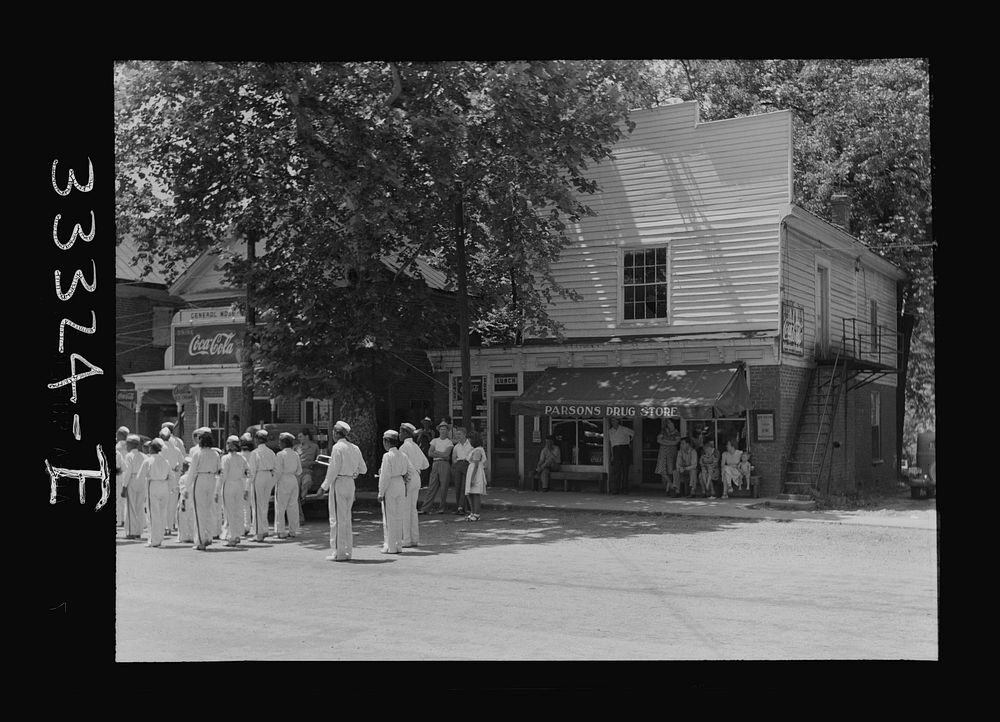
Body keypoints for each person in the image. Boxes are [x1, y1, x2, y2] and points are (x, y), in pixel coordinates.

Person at [321, 420, 367, 562]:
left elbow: (333, 469)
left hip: (339, 483)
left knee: (336, 519)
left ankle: (338, 552)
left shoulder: (337, 448)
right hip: (350, 483)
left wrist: (324, 487)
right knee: (346, 518)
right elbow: (363, 469)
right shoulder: (355, 448)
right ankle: (348, 551)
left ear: (335, 432)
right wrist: (353, 473)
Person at [377, 429, 414, 554]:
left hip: (391, 485)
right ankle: (398, 545)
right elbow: (411, 470)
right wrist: (405, 479)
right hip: (400, 484)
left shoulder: (387, 456)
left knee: (389, 517)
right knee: (399, 517)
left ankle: (390, 546)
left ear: (387, 442)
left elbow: (385, 476)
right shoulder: (403, 455)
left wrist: (381, 492)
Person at [187, 430, 221, 550]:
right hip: (211, 480)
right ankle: (208, 536)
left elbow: (191, 472)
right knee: (209, 509)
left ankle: (200, 540)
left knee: (199, 511)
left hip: (200, 479)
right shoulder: (215, 454)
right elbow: (219, 469)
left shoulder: (198, 453)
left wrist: (187, 487)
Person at [136, 438, 172, 547]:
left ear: (152, 448)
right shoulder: (166, 461)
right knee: (162, 513)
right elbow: (171, 476)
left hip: (153, 485)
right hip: (164, 486)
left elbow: (140, 477)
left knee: (153, 514)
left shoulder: (148, 460)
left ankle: (153, 540)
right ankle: (159, 538)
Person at [399, 422, 429, 548]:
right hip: (417, 477)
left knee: (405, 510)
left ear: (405, 433)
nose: (399, 435)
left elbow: (401, 467)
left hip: (408, 478)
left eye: (400, 432)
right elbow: (426, 464)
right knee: (412, 510)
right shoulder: (415, 446)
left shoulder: (403, 447)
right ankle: (414, 538)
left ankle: (406, 539)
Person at [217, 435, 249, 546]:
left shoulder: (225, 458)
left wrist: (218, 489)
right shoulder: (242, 458)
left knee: (229, 511)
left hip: (229, 485)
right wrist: (246, 488)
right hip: (239, 485)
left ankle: (232, 536)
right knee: (238, 510)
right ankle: (237, 534)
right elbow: (248, 473)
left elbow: (223, 475)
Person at [247, 429, 277, 542]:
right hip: (268, 476)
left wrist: (247, 485)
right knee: (264, 505)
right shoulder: (271, 452)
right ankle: (264, 529)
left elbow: (252, 471)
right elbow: (275, 467)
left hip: (259, 476)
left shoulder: (255, 453)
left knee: (257, 505)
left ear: (257, 439)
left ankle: (259, 533)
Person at [419, 422, 453, 514]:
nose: (443, 431)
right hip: (435, 463)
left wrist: (437, 452)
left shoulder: (449, 442)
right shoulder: (434, 441)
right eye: (441, 429)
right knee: (432, 486)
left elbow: (447, 455)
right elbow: (430, 453)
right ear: (439, 430)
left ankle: (441, 508)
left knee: (444, 487)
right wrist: (441, 454)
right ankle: (425, 508)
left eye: (445, 429)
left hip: (444, 464)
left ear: (447, 431)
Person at [274, 432, 303, 539]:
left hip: (283, 480)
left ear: (284, 442)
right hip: (293, 480)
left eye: (280, 441)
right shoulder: (295, 454)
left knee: (280, 507)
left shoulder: (280, 455)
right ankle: (293, 530)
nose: (279, 444)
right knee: (293, 506)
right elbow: (299, 471)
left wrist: (273, 482)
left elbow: (278, 471)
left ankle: (281, 531)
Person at [158, 426, 185, 536]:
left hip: (163, 478)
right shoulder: (176, 449)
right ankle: (170, 525)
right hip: (174, 478)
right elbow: (182, 464)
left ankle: (164, 527)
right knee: (172, 504)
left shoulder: (160, 448)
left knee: (163, 504)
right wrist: (177, 470)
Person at [121, 434, 147, 539]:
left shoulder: (129, 456)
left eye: (127, 444)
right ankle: (138, 531)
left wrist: (124, 486)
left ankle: (132, 531)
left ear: (131, 444)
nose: (126, 446)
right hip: (142, 481)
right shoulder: (144, 456)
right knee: (139, 506)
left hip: (132, 479)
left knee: (131, 506)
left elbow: (127, 472)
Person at [295, 428, 320, 522]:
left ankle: (303, 497)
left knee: (307, 482)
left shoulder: (314, 447)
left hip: (307, 471)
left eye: (301, 436)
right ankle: (300, 517)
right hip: (297, 472)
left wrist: (311, 463)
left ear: (307, 436)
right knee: (295, 491)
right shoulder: (296, 447)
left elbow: (318, 460)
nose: (299, 439)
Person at [464, 432, 488, 522]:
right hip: (471, 470)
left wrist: (472, 478)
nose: (468, 441)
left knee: (475, 493)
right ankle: (472, 512)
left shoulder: (478, 450)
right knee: (470, 493)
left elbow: (476, 465)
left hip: (475, 473)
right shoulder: (474, 449)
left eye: (470, 439)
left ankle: (476, 514)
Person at [607, 417, 634, 495]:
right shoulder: (610, 431)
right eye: (612, 420)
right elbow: (611, 444)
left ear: (618, 421)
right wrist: (612, 455)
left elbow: (633, 433)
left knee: (625, 469)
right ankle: (616, 489)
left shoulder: (624, 429)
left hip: (624, 448)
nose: (613, 422)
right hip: (616, 449)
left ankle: (625, 488)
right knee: (616, 470)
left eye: (614, 420)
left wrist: (628, 441)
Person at [449, 426, 473, 514]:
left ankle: (463, 507)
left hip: (467, 464)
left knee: (464, 487)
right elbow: (453, 458)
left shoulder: (470, 444)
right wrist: (457, 465)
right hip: (458, 465)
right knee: (458, 486)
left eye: (459, 434)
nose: (458, 436)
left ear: (464, 435)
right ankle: (459, 507)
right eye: (456, 434)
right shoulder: (456, 446)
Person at [654, 419, 681, 491]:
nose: (668, 424)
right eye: (667, 423)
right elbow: (658, 440)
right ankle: (671, 484)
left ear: (673, 423)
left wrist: (664, 441)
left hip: (672, 452)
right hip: (663, 452)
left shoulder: (677, 432)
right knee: (662, 470)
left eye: (670, 422)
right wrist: (670, 442)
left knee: (671, 470)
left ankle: (670, 488)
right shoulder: (663, 431)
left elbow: (675, 443)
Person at [176, 456, 195, 544]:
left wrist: (182, 503)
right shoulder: (194, 476)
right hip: (193, 499)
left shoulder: (183, 477)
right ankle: (192, 536)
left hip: (185, 499)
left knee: (182, 518)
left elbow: (183, 491)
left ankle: (183, 537)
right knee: (192, 518)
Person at [239, 433, 255, 535]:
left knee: (244, 506)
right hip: (252, 481)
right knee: (253, 505)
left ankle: (246, 526)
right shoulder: (254, 454)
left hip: (242, 481)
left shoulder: (240, 456)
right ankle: (253, 526)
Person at [414, 416, 434, 488]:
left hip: (428, 450)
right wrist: (421, 434)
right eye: (425, 423)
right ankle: (420, 482)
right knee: (420, 466)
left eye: (427, 423)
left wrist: (427, 435)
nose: (426, 425)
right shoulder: (420, 431)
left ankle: (426, 482)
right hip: (421, 450)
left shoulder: (432, 432)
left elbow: (432, 441)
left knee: (427, 466)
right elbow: (418, 441)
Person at [115, 427, 130, 526]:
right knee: (125, 499)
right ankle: (124, 519)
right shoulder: (129, 445)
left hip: (119, 473)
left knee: (118, 499)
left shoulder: (118, 446)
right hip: (127, 473)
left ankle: (119, 520)